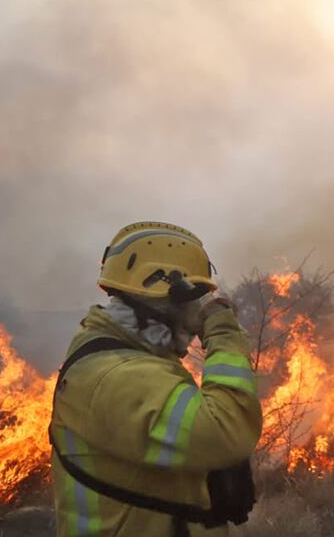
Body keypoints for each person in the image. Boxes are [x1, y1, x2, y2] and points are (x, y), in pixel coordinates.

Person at [50, 222, 263, 536]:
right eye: (194, 300)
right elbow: (225, 432)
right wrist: (223, 333)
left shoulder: (136, 362)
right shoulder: (117, 376)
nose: (197, 315)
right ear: (166, 298)